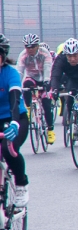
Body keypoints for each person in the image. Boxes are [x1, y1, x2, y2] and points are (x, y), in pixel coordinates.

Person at [0, 34, 30, 207]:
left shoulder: (10, 73)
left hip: (15, 118)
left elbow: (15, 99)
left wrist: (14, 122)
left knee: (8, 148)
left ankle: (21, 184)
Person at [18, 34, 55, 144]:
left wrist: (47, 81)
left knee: (46, 104)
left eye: (32, 46)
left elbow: (48, 67)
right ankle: (29, 108)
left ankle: (50, 130)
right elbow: (19, 71)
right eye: (27, 47)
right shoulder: (23, 55)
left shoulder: (45, 53)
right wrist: (16, 85)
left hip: (44, 78)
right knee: (26, 84)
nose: (30, 49)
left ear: (38, 46)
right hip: (32, 78)